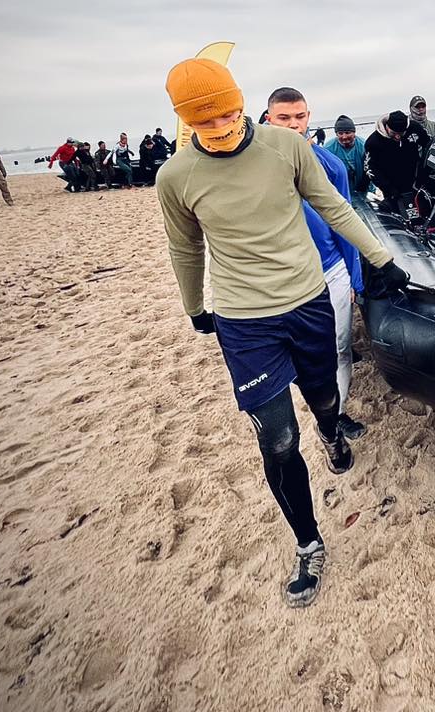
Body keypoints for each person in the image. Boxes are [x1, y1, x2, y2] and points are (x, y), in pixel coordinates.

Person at [156, 59, 409, 609]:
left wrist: (379, 259)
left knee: (322, 398)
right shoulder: (174, 177)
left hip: (307, 300)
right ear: (184, 121)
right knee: (276, 439)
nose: (220, 126)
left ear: (241, 101)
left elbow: (333, 205)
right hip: (244, 321)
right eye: (205, 120)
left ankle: (331, 428)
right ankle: (308, 542)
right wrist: (195, 305)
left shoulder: (285, 147)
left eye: (226, 112)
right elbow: (184, 247)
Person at [268, 88, 368, 441]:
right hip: (286, 279)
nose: (293, 125)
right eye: (283, 118)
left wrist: (356, 278)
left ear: (309, 118)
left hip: (331, 269)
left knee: (339, 347)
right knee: (298, 357)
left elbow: (344, 219)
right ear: (268, 120)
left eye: (299, 117)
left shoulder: (332, 165)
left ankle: (335, 417)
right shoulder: (256, 168)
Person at [365, 110, 430, 214]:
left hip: (415, 181)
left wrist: (425, 171)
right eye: (393, 133)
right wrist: (388, 188)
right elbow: (371, 169)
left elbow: (429, 145)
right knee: (399, 213)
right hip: (391, 186)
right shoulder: (373, 142)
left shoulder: (414, 128)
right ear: (387, 127)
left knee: (422, 213)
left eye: (401, 133)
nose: (397, 137)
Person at [324, 116, 368, 197]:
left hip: (362, 188)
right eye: (340, 133)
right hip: (338, 190)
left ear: (354, 132)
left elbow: (371, 169)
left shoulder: (364, 145)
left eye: (347, 132)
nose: (344, 137)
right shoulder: (328, 148)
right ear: (336, 134)